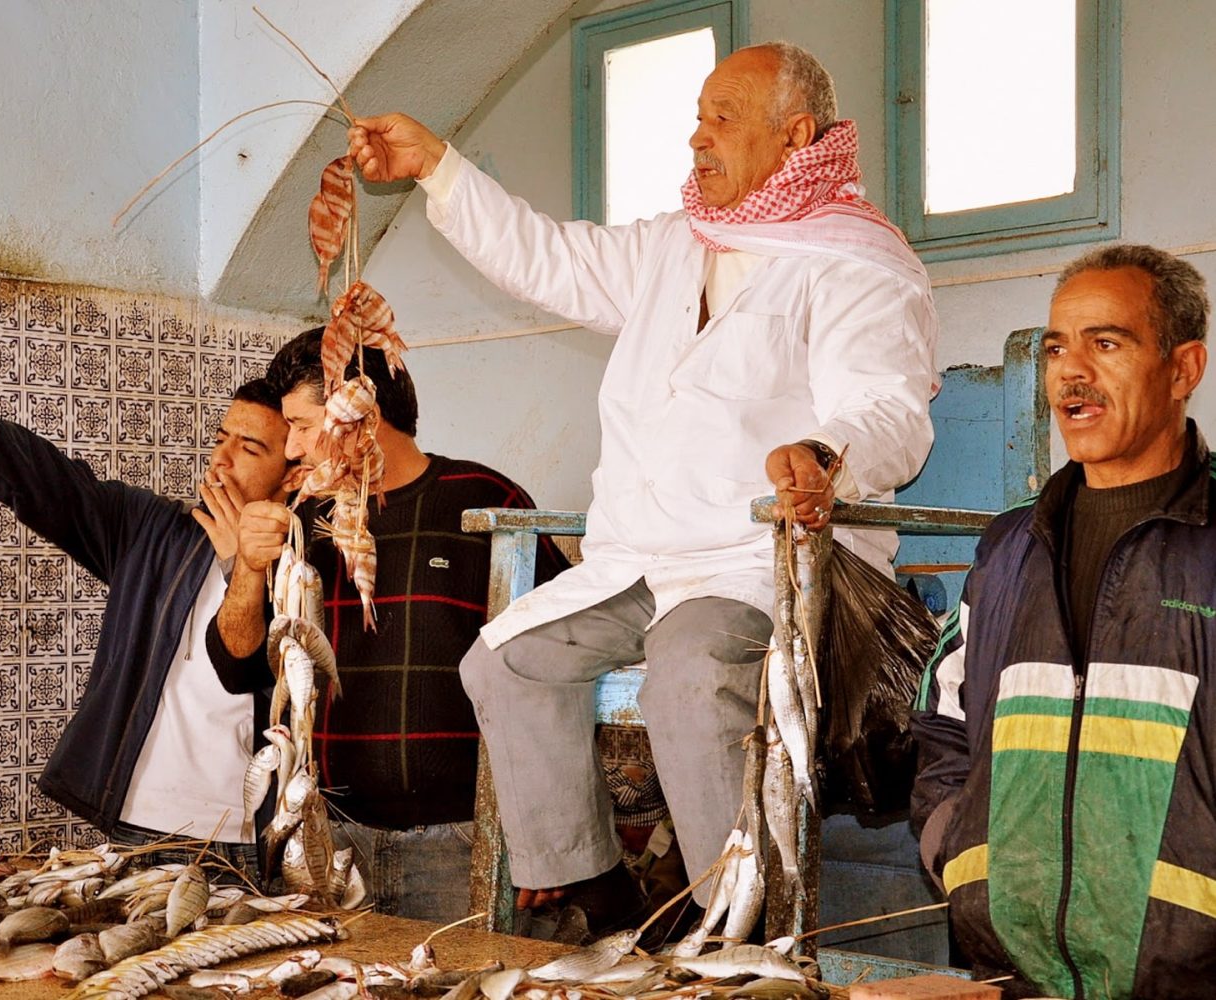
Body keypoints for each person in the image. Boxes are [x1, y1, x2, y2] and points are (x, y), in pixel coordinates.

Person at [348, 40, 937, 926]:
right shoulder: (675, 243)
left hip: (761, 560)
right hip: (640, 559)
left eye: (722, 117)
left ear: (796, 135)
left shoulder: (855, 263)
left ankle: (742, 928)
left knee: (689, 676)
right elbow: (546, 257)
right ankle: (600, 895)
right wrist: (437, 165)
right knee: (505, 660)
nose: (697, 137)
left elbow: (891, 408)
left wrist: (826, 452)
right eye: (697, 116)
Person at [911, 244, 1212, 999]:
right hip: (1008, 978)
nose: (1070, 372)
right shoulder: (1008, 548)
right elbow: (941, 723)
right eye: (1055, 348)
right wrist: (955, 847)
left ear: (1184, 370)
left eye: (1105, 343)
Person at [0, 353, 294, 879]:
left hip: (241, 846)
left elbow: (262, 670)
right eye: (221, 437)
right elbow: (45, 483)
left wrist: (240, 567)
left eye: (249, 448)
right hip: (133, 825)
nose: (221, 460)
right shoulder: (152, 530)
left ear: (293, 474)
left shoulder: (306, 570)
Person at [208, 328, 568, 921]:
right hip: (330, 842)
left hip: (463, 843)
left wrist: (547, 829)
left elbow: (558, 666)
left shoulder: (484, 501)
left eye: (302, 425)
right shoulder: (305, 520)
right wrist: (248, 567)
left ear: (358, 413)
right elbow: (236, 666)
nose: (293, 449)